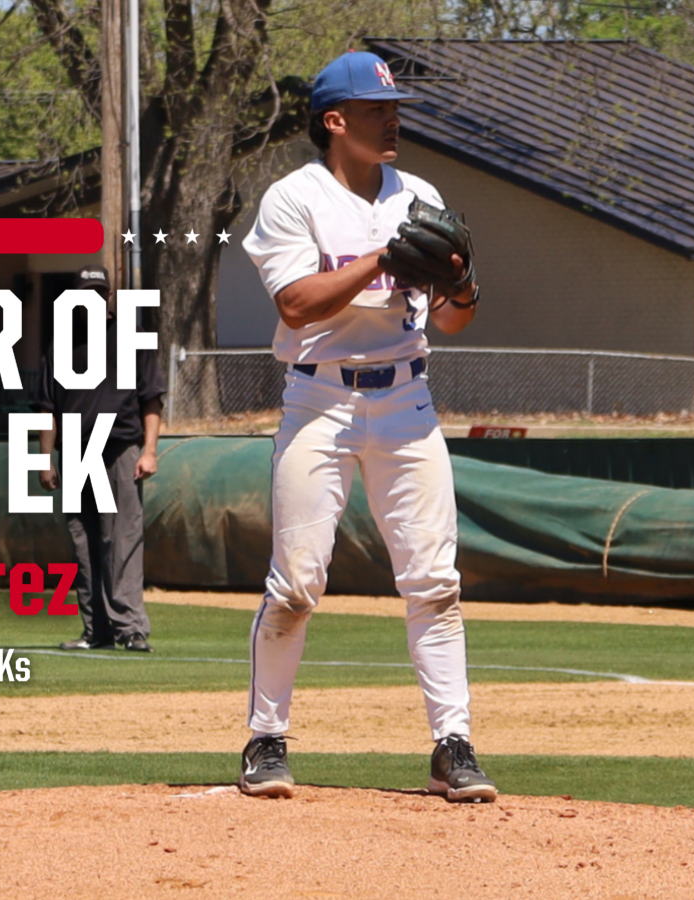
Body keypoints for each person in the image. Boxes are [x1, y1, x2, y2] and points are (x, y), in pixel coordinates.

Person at [237, 50, 495, 802]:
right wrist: (383, 257)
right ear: (335, 121)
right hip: (319, 401)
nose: (393, 120)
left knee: (435, 583)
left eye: (395, 108)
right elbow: (295, 304)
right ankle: (265, 738)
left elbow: (454, 318)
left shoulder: (420, 194)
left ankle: (453, 745)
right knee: (296, 585)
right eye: (377, 109)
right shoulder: (295, 198)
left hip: (407, 401)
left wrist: (462, 283)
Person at [34, 265, 165, 653]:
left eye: (98, 293)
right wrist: (44, 459)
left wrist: (150, 450)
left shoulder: (131, 337)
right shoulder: (61, 344)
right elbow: (47, 408)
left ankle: (131, 628)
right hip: (76, 452)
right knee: (84, 542)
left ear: (108, 296)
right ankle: (97, 630)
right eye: (84, 294)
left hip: (118, 448)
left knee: (121, 537)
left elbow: (151, 399)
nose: (91, 300)